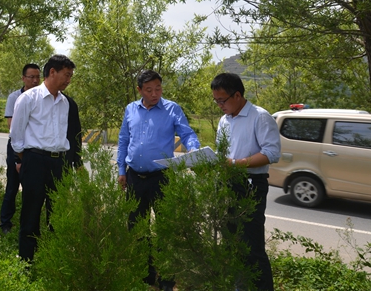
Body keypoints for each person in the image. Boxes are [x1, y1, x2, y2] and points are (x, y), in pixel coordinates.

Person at [117, 69, 200, 290]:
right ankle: (145, 275)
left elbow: (187, 134)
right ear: (139, 90)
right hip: (134, 177)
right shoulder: (130, 109)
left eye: (158, 89)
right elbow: (124, 140)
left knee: (166, 228)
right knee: (137, 228)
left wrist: (193, 149)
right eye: (149, 90)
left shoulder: (172, 109)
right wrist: (121, 170)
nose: (154, 94)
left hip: (162, 177)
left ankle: (167, 279)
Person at [211, 73, 280, 291]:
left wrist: (236, 164)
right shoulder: (224, 120)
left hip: (251, 185)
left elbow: (271, 153)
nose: (219, 105)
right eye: (216, 101)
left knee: (252, 246)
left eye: (222, 100)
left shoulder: (260, 117)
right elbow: (223, 152)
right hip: (227, 184)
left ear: (238, 95)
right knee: (232, 243)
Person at [10, 54, 75, 262]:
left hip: (59, 163)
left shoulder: (65, 103)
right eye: (66, 75)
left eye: (70, 76)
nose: (68, 80)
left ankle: (52, 261)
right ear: (52, 72)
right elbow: (16, 136)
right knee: (31, 213)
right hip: (35, 161)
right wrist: (27, 159)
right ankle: (26, 261)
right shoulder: (29, 98)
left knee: (57, 214)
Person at [0, 63, 41, 234]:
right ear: (23, 78)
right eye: (31, 77)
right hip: (16, 146)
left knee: (32, 188)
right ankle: (5, 223)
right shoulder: (14, 97)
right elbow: (12, 127)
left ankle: (29, 224)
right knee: (12, 185)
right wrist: (18, 158)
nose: (35, 80)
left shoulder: (42, 97)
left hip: (34, 149)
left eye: (38, 77)